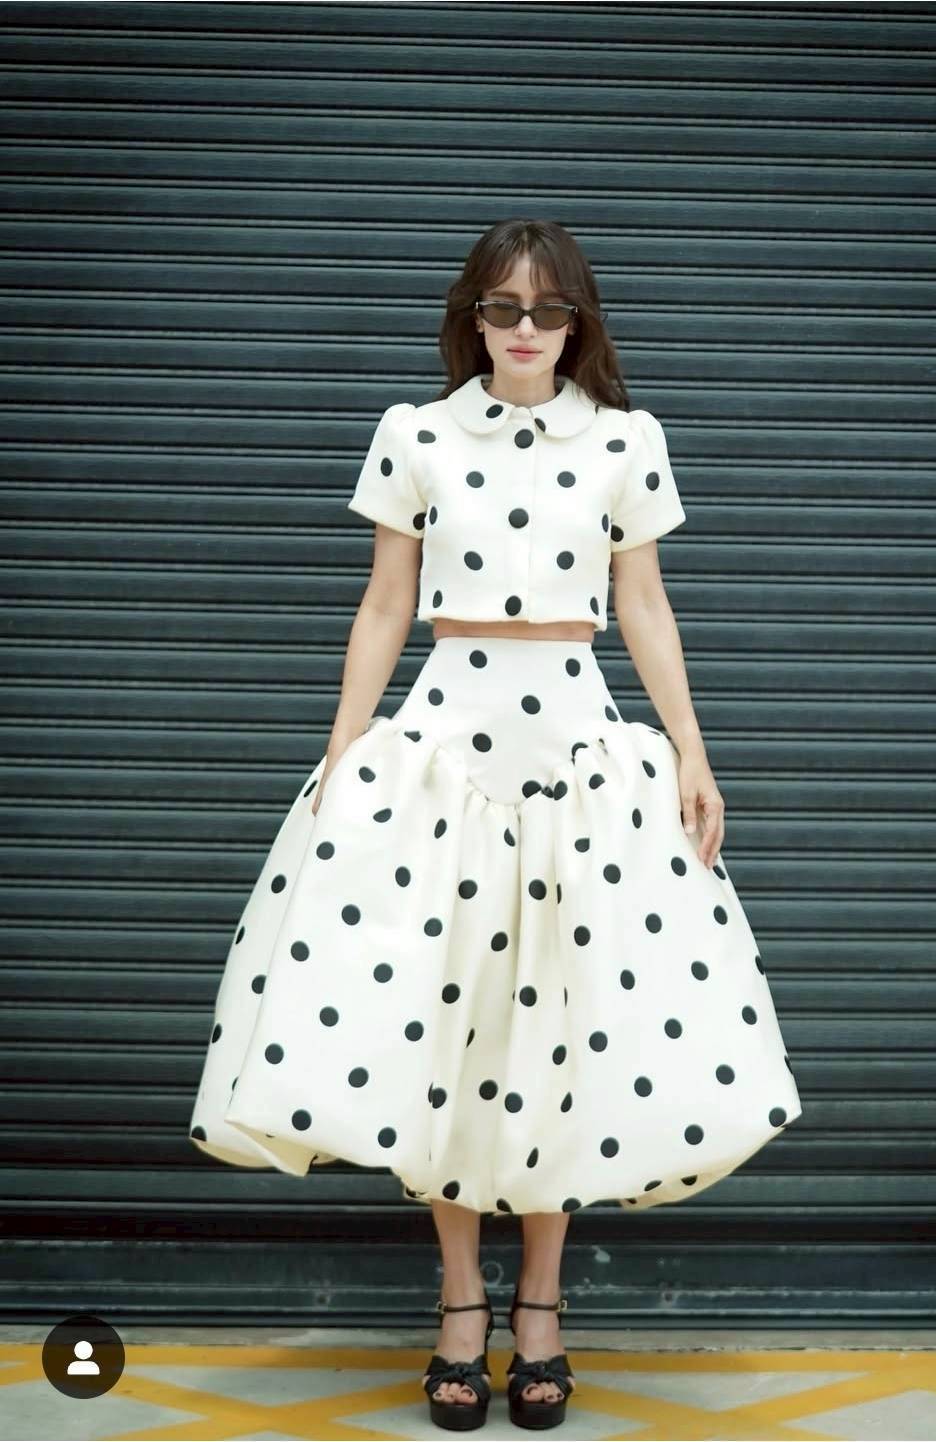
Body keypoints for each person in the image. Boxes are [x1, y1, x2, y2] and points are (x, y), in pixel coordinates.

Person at [188, 218, 803, 1432]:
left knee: (559, 1031)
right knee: (449, 1026)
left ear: (578, 324)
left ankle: (542, 1310)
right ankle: (460, 1304)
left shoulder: (626, 439)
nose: (525, 329)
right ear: (471, 317)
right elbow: (384, 601)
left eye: (548, 310)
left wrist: (689, 747)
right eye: (503, 307)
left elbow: (644, 606)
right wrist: (342, 751)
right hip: (441, 740)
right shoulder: (414, 433)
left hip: (576, 743)